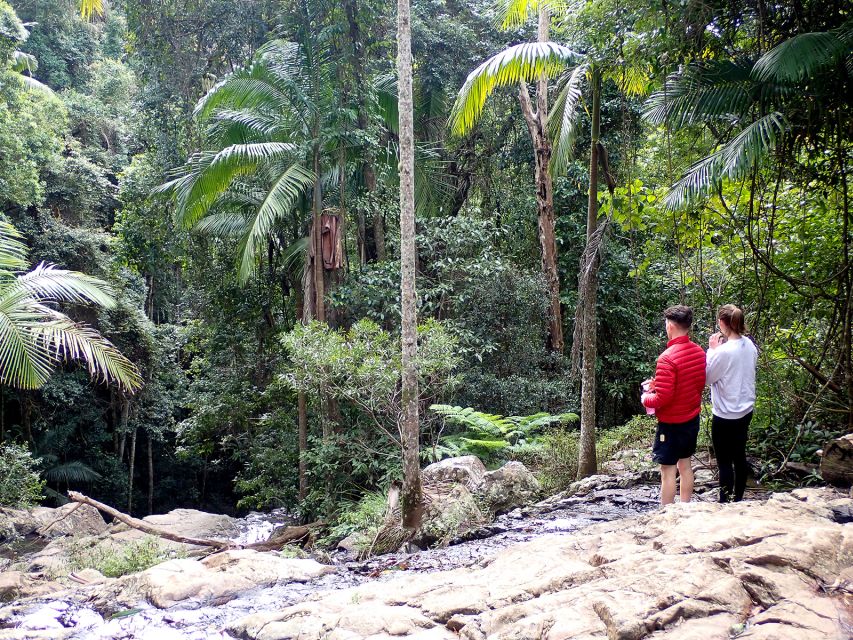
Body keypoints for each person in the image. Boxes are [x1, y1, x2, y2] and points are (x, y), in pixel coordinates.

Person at [641, 305, 706, 505]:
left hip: (670, 425)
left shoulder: (666, 358)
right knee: (685, 465)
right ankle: (685, 509)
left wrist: (646, 398)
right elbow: (694, 384)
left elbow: (662, 399)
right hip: (691, 419)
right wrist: (658, 384)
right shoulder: (699, 352)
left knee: (667, 471)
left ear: (670, 326)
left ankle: (666, 516)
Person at [706, 304, 757, 502]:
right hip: (745, 410)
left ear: (722, 323)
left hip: (725, 415)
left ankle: (724, 503)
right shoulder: (750, 345)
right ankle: (738, 500)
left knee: (724, 462)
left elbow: (708, 378)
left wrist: (712, 351)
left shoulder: (723, 352)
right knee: (739, 456)